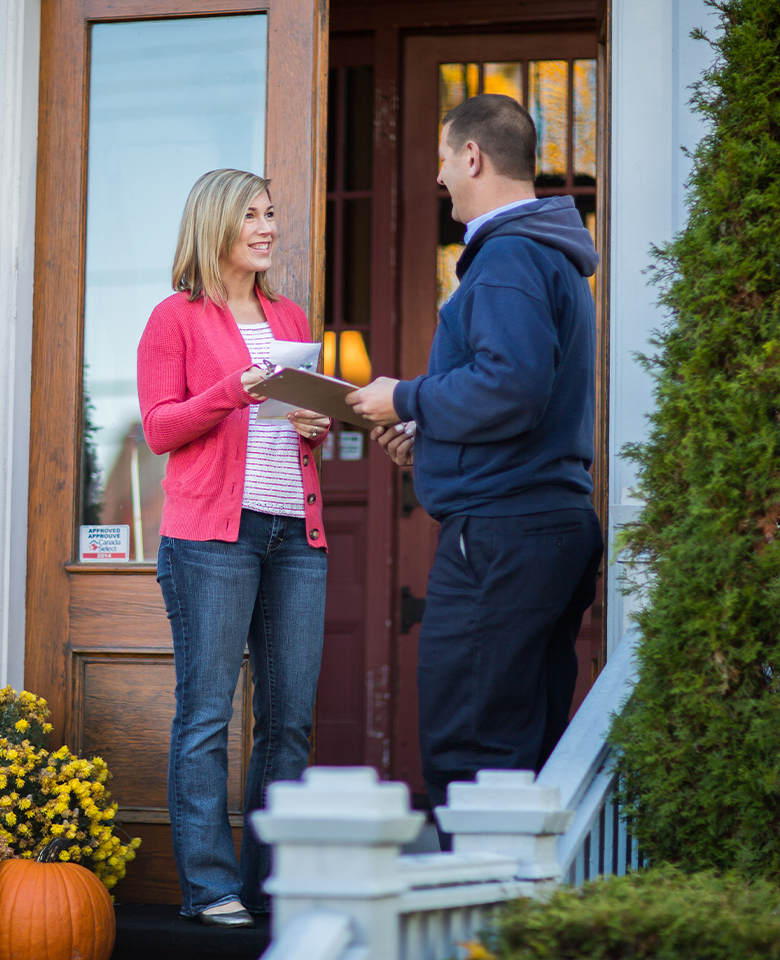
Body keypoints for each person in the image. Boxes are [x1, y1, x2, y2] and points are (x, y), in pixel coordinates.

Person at [347, 94, 604, 840]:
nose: (439, 179)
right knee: (520, 749)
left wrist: (404, 397)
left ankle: (482, 910)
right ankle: (523, 904)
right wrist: (428, 434)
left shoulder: (509, 258)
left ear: (472, 157)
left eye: (442, 160)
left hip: (502, 535)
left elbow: (510, 387)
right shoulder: (546, 256)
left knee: (472, 749)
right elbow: (520, 395)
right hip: (541, 526)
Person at [137, 168, 331, 926]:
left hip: (294, 533)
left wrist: (314, 422)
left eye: (270, 213)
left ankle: (268, 884)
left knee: (289, 722)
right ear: (215, 224)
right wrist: (237, 390)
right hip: (212, 539)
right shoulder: (175, 318)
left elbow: (292, 426)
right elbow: (160, 428)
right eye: (251, 215)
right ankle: (211, 888)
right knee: (206, 717)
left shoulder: (289, 315)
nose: (267, 227)